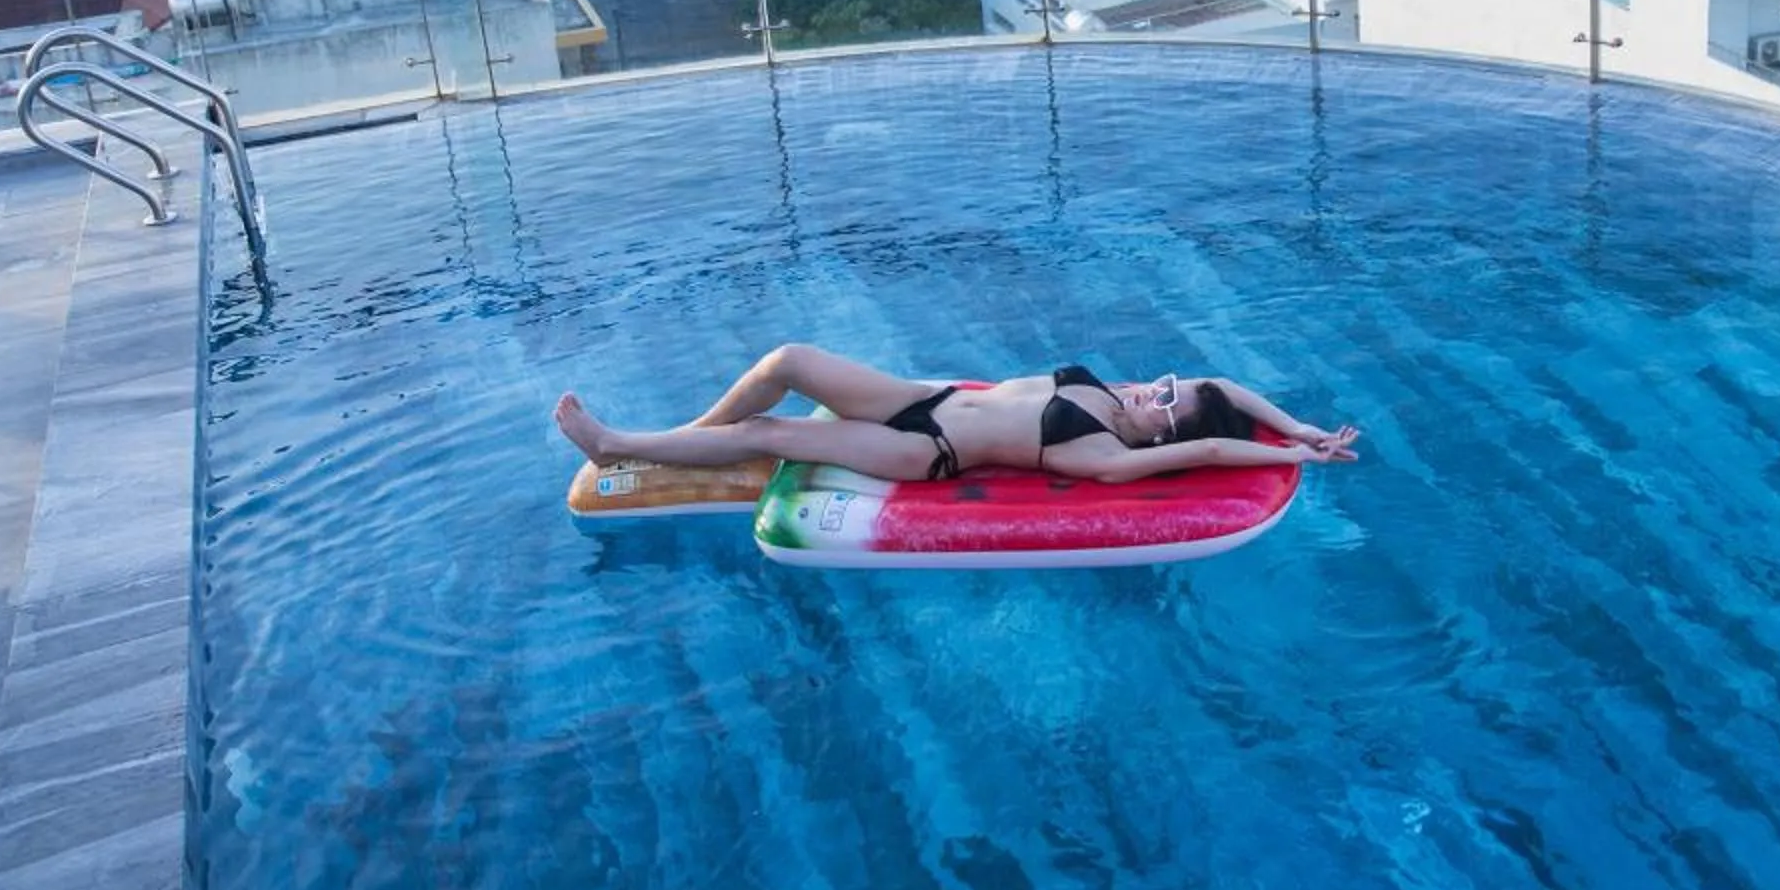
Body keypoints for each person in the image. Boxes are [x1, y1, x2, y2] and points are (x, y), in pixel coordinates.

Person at [552, 344, 1359, 486]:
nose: (1156, 390)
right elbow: (1226, 389)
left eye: (1164, 403)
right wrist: (1297, 423)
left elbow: (1217, 449)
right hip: (926, 398)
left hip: (930, 451)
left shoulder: (1105, 454)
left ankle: (620, 447)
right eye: (1165, 384)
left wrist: (1297, 460)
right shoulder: (1114, 394)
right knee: (788, 361)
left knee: (770, 436)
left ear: (1166, 433)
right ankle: (691, 438)